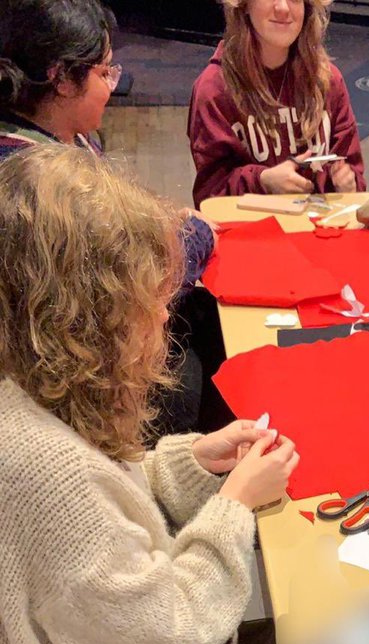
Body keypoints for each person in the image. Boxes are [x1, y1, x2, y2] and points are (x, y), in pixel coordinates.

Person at [0, 144, 298, 644]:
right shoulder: (49, 477)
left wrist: (194, 463)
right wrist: (233, 505)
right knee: (351, 636)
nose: (165, 318)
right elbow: (170, 626)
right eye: (150, 303)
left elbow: (107, 498)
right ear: (86, 319)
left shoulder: (21, 398)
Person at [0, 0, 227, 438]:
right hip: (81, 386)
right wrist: (194, 236)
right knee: (197, 365)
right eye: (104, 72)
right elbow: (139, 280)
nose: (112, 84)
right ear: (61, 78)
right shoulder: (39, 181)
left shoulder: (62, 137)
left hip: (86, 348)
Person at [189, 0, 365, 205]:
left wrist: (348, 184)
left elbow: (354, 176)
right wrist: (262, 181)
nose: (283, 8)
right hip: (250, 232)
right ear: (244, 5)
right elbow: (209, 195)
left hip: (316, 231)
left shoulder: (329, 80)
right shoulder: (214, 89)